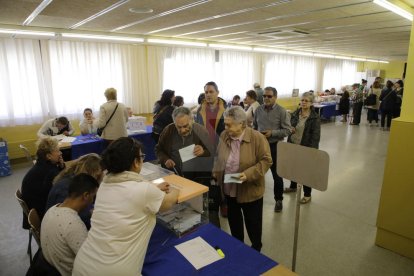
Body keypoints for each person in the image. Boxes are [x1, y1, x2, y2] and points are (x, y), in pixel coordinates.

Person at [72, 137, 179, 275]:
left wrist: (152, 188)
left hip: (84, 263)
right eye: (142, 157)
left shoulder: (104, 184)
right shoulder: (143, 190)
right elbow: (168, 202)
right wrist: (176, 188)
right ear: (135, 162)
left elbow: (128, 194)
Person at [213, 106, 272, 251]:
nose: (225, 127)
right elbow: (218, 157)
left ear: (241, 123)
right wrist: (216, 172)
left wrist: (248, 174)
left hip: (250, 191)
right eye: (225, 124)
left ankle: (255, 250)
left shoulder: (257, 137)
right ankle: (238, 249)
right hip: (229, 188)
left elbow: (266, 161)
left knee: (253, 224)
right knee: (234, 222)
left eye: (229, 124)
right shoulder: (224, 136)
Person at [156, 107, 219, 226]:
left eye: (185, 126)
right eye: (178, 127)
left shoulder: (201, 130)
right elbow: (159, 149)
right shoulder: (168, 130)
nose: (182, 130)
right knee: (178, 214)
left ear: (192, 120)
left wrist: (203, 151)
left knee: (195, 212)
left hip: (195, 180)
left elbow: (212, 152)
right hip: (175, 179)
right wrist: (166, 159)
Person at [41, 174, 99, 276]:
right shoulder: (73, 223)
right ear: (86, 195)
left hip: (50, 266)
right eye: (93, 197)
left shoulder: (53, 209)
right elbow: (91, 260)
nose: (92, 201)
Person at [253, 86, 291, 212]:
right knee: (257, 173)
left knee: (277, 175)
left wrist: (272, 133)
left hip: (275, 147)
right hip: (260, 147)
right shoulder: (258, 109)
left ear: (275, 97)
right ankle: (256, 197)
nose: (266, 98)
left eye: (269, 96)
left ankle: (278, 200)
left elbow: (287, 130)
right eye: (264, 96)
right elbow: (255, 126)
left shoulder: (281, 111)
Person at [195, 81, 228, 217]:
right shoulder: (199, 110)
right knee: (210, 178)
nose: (208, 95)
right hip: (205, 150)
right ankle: (213, 204)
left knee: (224, 178)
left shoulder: (227, 110)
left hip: (222, 149)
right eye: (206, 92)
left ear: (217, 93)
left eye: (211, 92)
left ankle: (224, 203)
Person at [46, 153, 103, 229]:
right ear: (92, 173)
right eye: (98, 176)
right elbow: (83, 219)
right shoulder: (68, 189)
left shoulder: (70, 178)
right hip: (62, 230)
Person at [283, 92, 321, 204]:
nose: (303, 102)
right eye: (302, 100)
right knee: (293, 168)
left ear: (311, 103)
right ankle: (293, 186)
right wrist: (291, 128)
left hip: (306, 147)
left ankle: (307, 194)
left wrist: (312, 152)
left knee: (306, 172)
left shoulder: (314, 117)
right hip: (293, 145)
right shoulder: (295, 113)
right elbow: (289, 126)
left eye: (306, 101)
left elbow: (315, 136)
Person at [21, 137, 65, 225]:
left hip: (35, 206)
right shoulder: (50, 171)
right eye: (57, 151)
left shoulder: (41, 165)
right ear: (48, 156)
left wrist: (61, 167)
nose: (60, 153)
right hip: (42, 214)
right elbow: (59, 188)